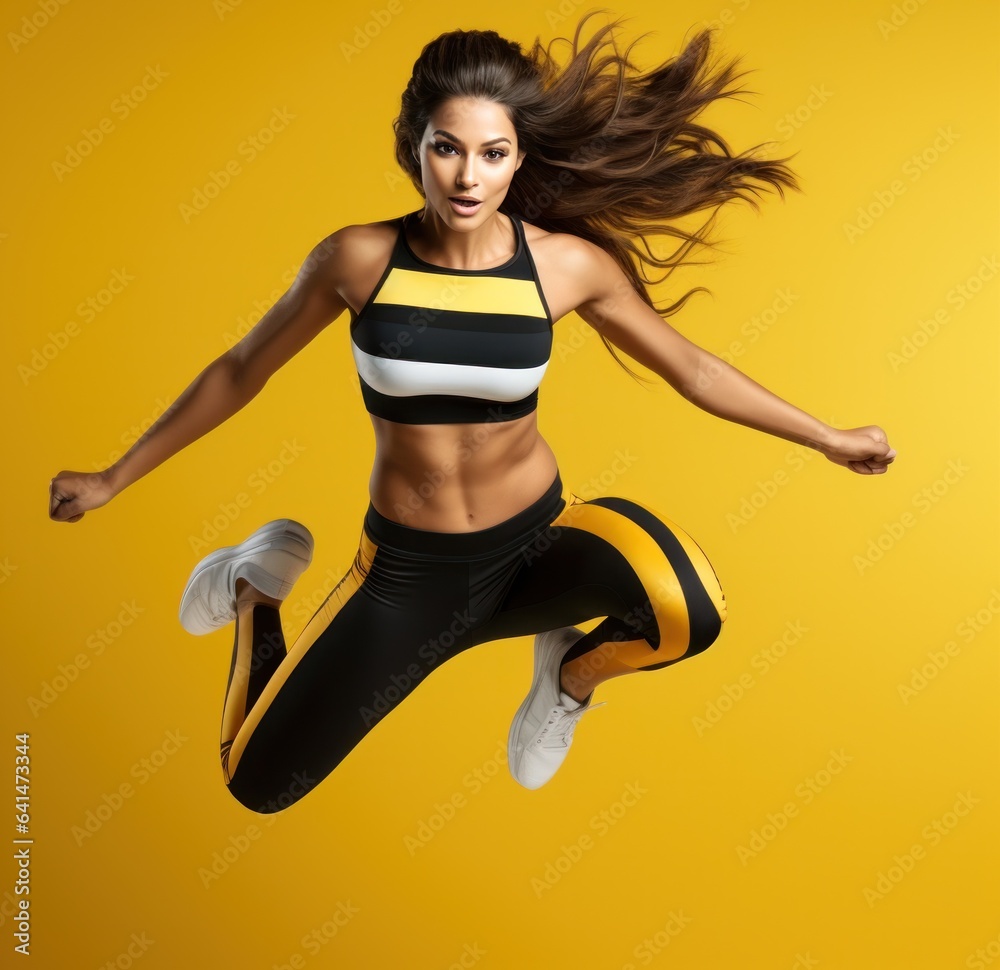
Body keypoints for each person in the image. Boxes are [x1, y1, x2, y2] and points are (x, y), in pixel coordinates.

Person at [48, 13, 895, 813]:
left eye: (492, 154)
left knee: (690, 609)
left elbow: (694, 369)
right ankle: (253, 589)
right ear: (412, 146)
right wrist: (114, 477)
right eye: (446, 149)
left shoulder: (566, 268)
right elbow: (240, 371)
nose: (467, 176)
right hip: (407, 584)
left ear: (519, 158)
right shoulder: (358, 260)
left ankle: (567, 678)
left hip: (534, 550)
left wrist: (826, 436)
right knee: (254, 780)